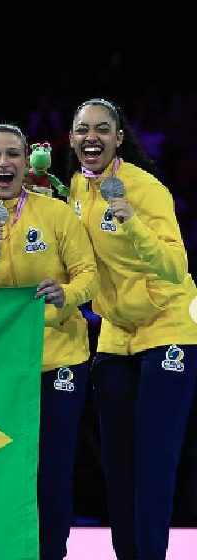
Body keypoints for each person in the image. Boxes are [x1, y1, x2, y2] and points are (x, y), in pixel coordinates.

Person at [0, 124, 99, 560]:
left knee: (53, 469)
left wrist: (67, 294)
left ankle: (51, 552)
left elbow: (88, 276)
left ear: (26, 162)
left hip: (60, 360)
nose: (5, 164)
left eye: (13, 155)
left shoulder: (56, 215)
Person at [66, 97, 197, 560]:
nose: (91, 138)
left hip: (168, 327)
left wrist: (132, 222)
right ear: (72, 139)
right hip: (117, 332)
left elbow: (175, 267)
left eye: (102, 129)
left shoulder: (144, 188)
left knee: (154, 458)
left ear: (119, 138)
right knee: (117, 462)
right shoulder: (76, 190)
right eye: (83, 129)